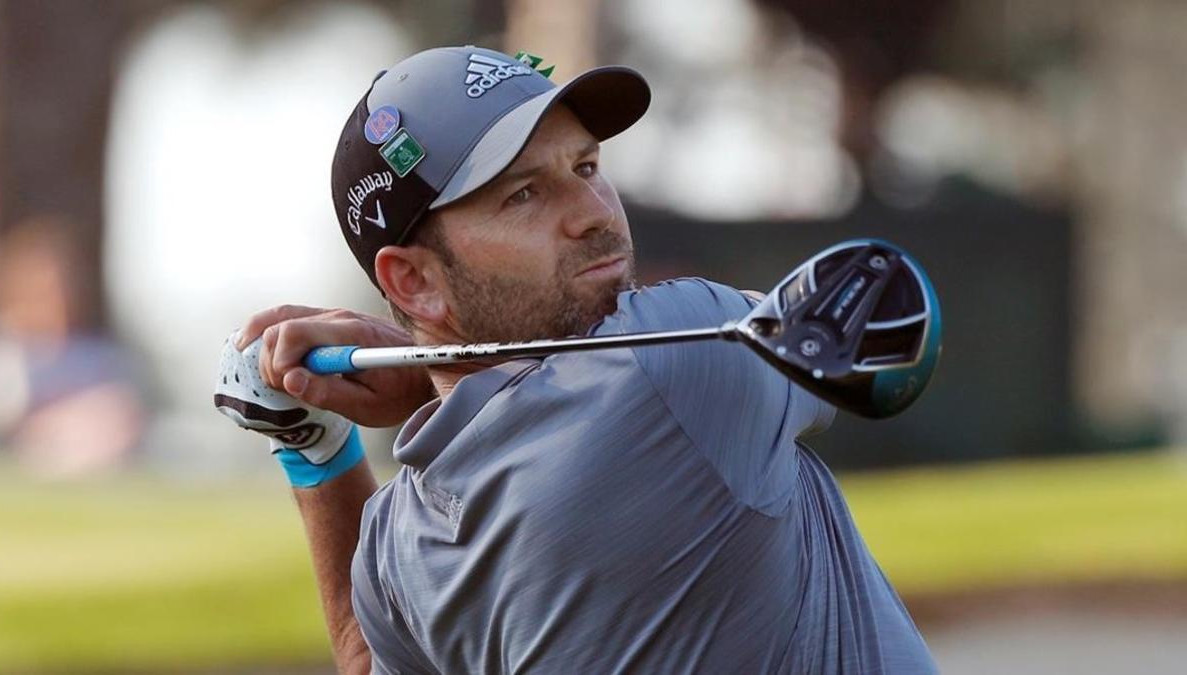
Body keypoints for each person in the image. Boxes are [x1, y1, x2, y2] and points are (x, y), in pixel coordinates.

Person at [216, 46, 937, 674]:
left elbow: (366, 654)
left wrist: (316, 448)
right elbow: (864, 315)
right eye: (524, 194)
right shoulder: (678, 359)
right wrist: (419, 382)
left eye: (587, 164)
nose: (593, 210)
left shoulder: (404, 545)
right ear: (416, 281)